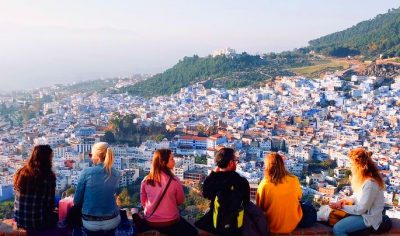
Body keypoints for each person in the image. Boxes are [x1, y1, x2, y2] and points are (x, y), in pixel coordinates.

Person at [140, 149, 198, 236]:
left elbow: (143, 202)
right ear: (164, 162)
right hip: (170, 221)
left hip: (150, 220)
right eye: (172, 159)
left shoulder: (146, 180)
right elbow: (180, 201)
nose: (174, 161)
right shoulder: (174, 181)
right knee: (194, 232)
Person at [330, 148, 385, 236]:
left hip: (369, 218)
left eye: (352, 165)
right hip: (363, 214)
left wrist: (340, 207)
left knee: (338, 229)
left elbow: (360, 209)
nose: (350, 167)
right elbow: (357, 195)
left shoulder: (370, 183)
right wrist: (345, 200)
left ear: (359, 166)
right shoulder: (364, 179)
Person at [195, 147, 250, 236]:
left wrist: (213, 173)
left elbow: (205, 193)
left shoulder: (213, 181)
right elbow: (246, 202)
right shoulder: (242, 182)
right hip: (235, 225)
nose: (236, 163)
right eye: (236, 161)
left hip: (216, 224)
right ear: (231, 163)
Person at [74, 142, 121, 236]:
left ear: (97, 156)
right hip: (112, 220)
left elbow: (77, 201)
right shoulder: (116, 174)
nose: (91, 158)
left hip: (90, 222)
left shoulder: (86, 173)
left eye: (91, 155)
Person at [256, 152, 307, 234]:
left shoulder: (264, 184)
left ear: (267, 166)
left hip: (271, 225)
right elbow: (299, 197)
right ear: (282, 164)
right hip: (292, 223)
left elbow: (260, 206)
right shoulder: (294, 180)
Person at [14, 145, 57, 230]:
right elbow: (50, 204)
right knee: (58, 216)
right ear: (48, 159)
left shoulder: (21, 172)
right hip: (37, 222)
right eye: (51, 157)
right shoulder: (48, 176)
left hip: (19, 220)